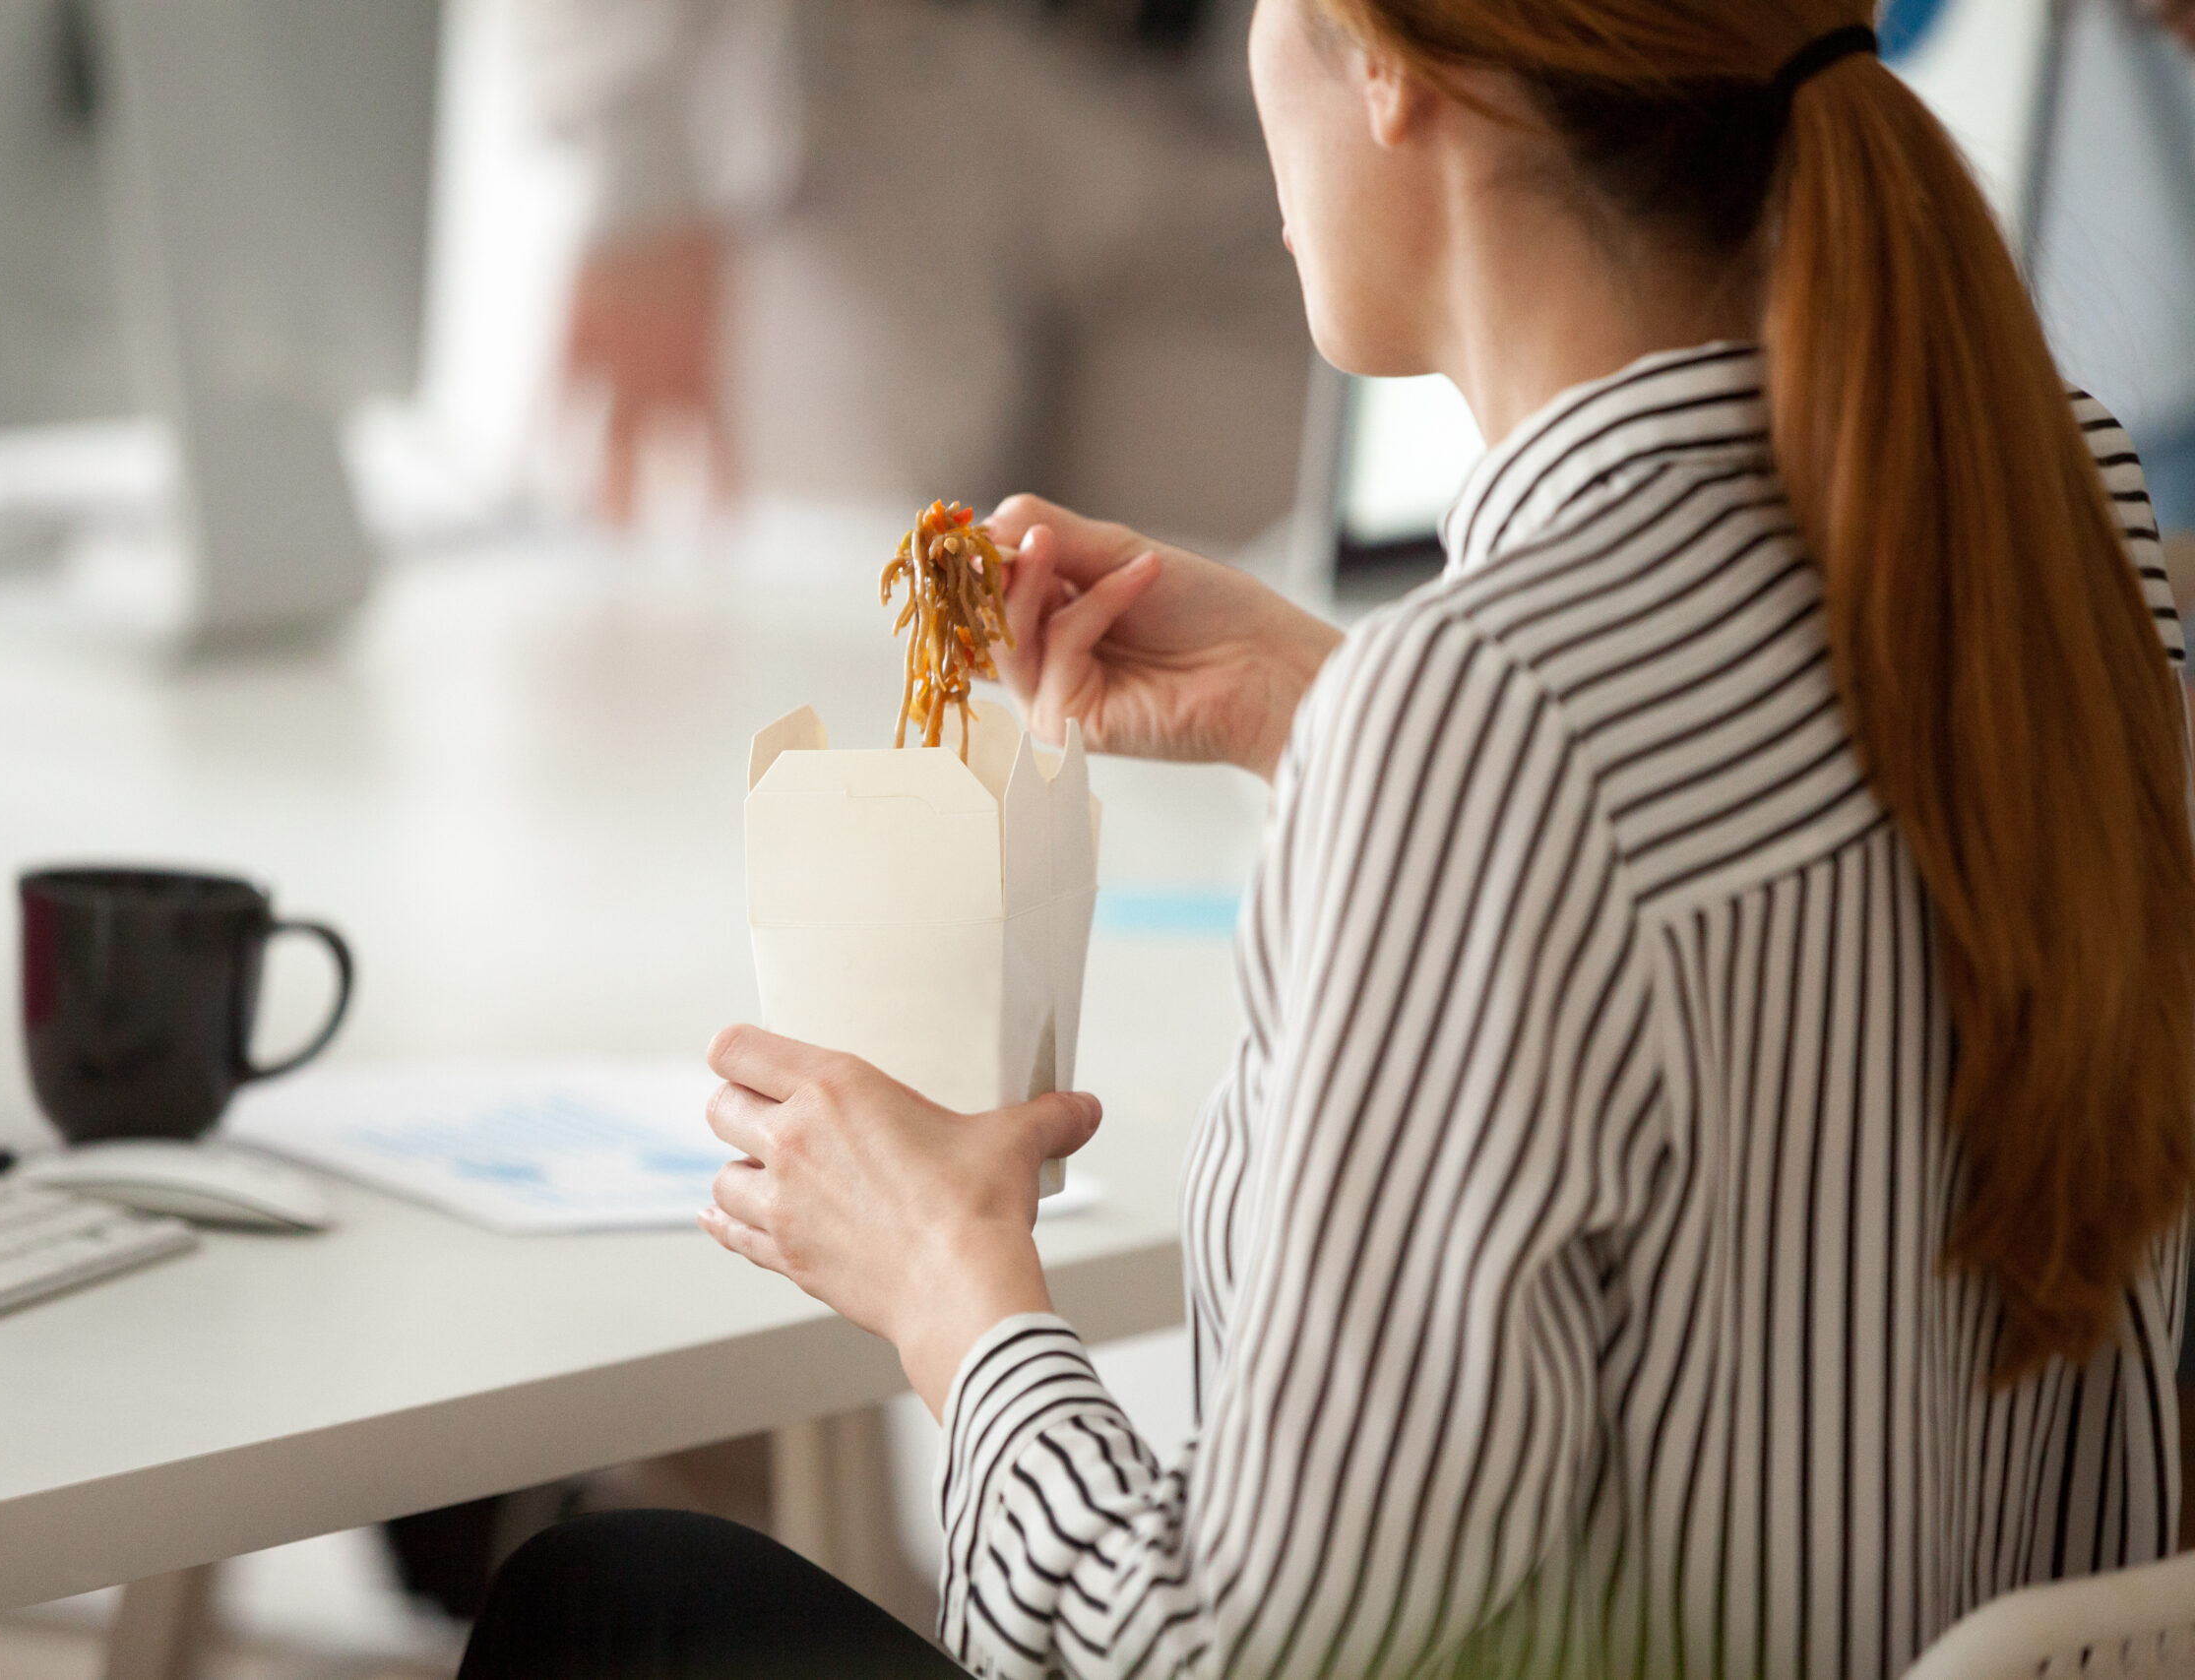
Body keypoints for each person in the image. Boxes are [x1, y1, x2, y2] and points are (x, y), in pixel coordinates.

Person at [462, 0, 2195, 1674]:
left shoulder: (1478, 719)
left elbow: (1242, 1647)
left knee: (605, 1602)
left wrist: (955, 1290)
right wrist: (1328, 701)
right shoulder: (2070, 526)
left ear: (1390, 71)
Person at [517, 0, 1313, 545]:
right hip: (877, 115)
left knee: (1192, 662)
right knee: (833, 650)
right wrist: (641, 157)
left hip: (1237, 127)